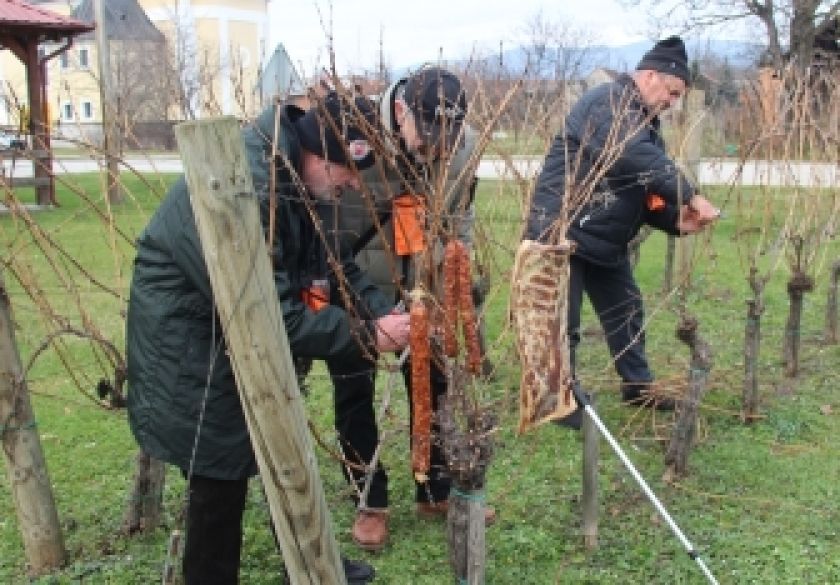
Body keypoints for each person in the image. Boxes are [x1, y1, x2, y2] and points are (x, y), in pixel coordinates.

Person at [125, 93, 410, 584]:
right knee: (219, 477)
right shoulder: (252, 188)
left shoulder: (297, 182)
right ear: (322, 156)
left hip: (241, 338)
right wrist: (367, 334)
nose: (350, 185)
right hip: (194, 347)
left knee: (284, 449)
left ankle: (312, 561)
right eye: (346, 173)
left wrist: (382, 311)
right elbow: (268, 317)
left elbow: (333, 262)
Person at [334, 66, 495, 552]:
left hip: (423, 281)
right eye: (427, 136)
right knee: (353, 389)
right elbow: (333, 232)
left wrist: (455, 277)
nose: (437, 148)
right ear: (401, 111)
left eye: (447, 137)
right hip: (357, 281)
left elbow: (460, 216)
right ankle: (370, 500)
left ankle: (436, 489)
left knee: (436, 386)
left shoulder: (463, 145)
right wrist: (368, 306)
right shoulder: (352, 138)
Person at [525, 36, 719, 411]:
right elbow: (634, 157)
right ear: (650, 76)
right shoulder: (607, 103)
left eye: (679, 96)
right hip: (562, 229)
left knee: (626, 311)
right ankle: (557, 402)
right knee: (561, 325)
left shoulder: (645, 123)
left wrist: (674, 219)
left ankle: (638, 388)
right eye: (673, 92)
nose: (672, 103)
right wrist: (691, 195)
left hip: (604, 237)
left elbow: (642, 188)